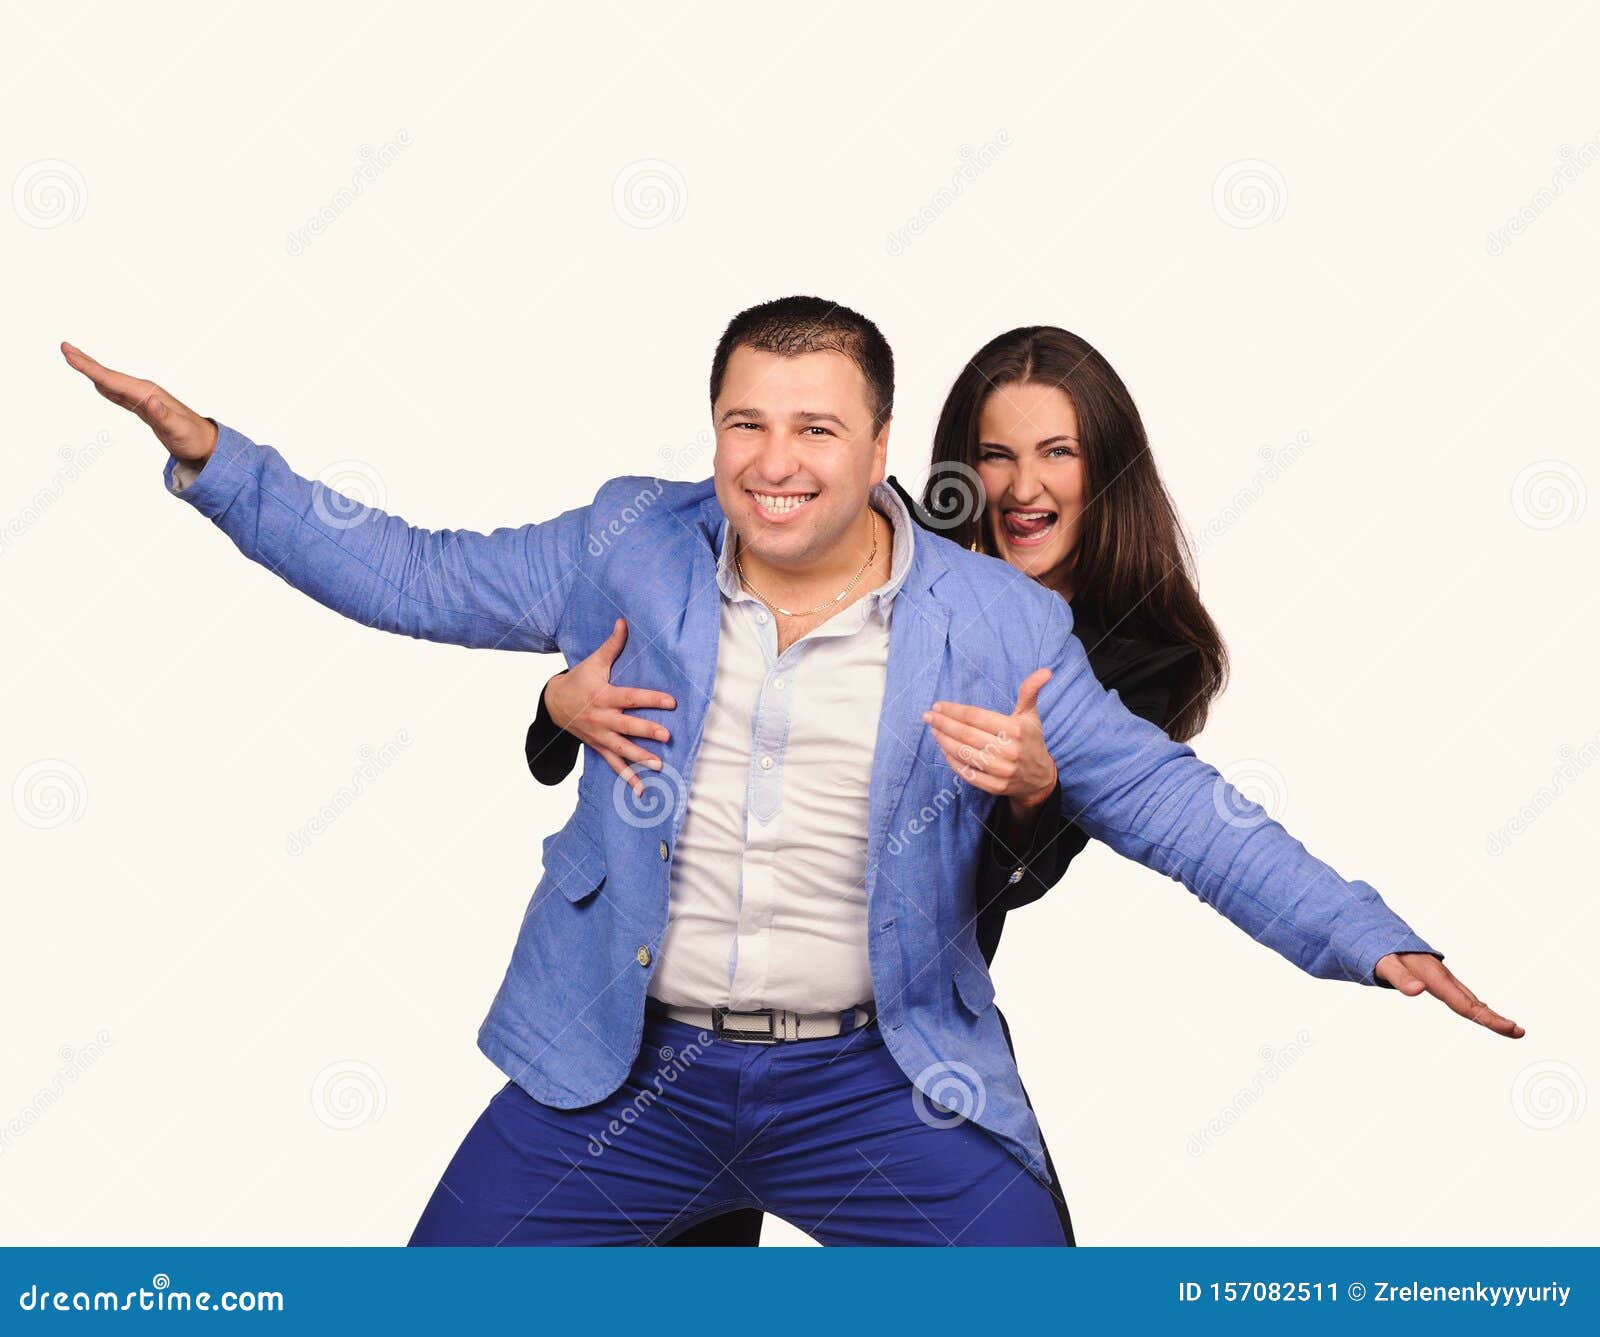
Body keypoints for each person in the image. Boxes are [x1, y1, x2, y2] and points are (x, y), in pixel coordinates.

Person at [60, 297, 1520, 1246]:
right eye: (746, 422)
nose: (776, 460)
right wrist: (218, 464)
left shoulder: (997, 621)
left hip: (872, 1081)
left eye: (817, 426)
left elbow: (1175, 806)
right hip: (633, 1073)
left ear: (880, 443)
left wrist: (1369, 936)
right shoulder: (632, 542)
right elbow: (411, 572)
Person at [516, 324, 1227, 1246]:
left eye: (1058, 453)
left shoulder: (1139, 657)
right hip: (693, 1017)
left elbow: (1013, 878)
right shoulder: (896, 546)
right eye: (995, 455)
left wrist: (1031, 788)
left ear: (1108, 472)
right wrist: (555, 700)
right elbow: (668, 649)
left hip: (893, 1032)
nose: (1022, 487)